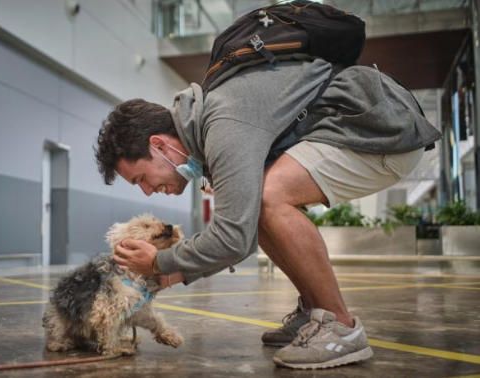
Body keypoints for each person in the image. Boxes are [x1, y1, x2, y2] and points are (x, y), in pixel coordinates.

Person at [94, 57, 441, 369]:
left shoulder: (222, 125)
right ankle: (313, 311)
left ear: (160, 144)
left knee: (268, 196)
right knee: (259, 203)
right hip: (362, 123)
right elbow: (243, 236)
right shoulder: (206, 136)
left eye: (141, 178)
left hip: (379, 123)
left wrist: (159, 263)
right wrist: (175, 274)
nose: (146, 190)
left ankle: (340, 327)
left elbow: (232, 237)